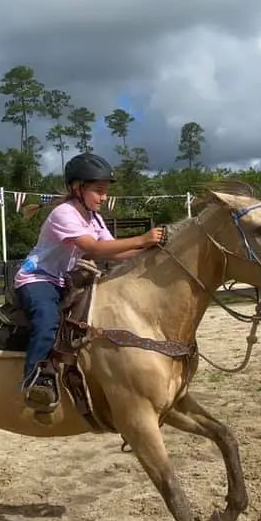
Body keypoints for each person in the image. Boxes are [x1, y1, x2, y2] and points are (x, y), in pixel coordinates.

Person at [14, 152, 165, 411]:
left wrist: (150, 251)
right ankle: (35, 381)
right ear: (77, 188)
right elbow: (92, 248)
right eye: (99, 191)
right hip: (37, 278)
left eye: (105, 192)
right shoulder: (65, 213)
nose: (104, 197)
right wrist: (142, 239)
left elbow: (113, 251)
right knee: (48, 319)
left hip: (63, 280)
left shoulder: (93, 217)